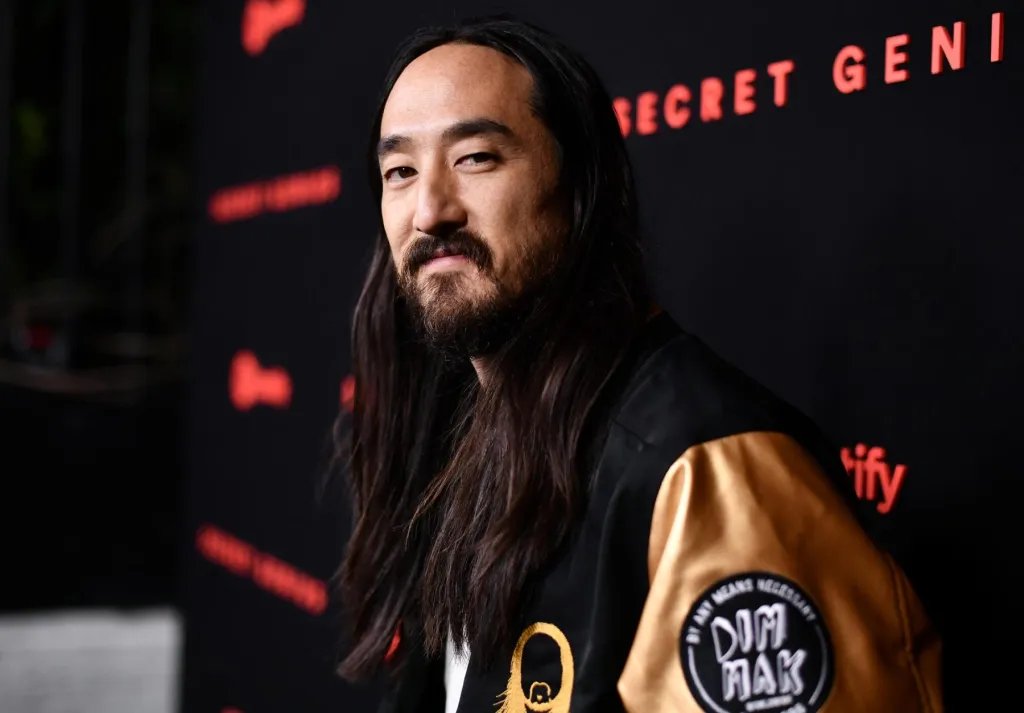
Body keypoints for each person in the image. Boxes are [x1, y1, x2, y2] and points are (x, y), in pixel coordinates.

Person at [333, 15, 943, 713]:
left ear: (580, 186)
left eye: (476, 158)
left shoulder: (708, 464)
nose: (429, 210)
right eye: (400, 172)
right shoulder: (457, 444)